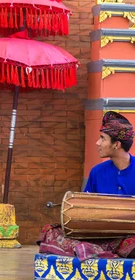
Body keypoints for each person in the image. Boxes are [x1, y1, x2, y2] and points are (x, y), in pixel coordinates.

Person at [38, 111, 135, 260]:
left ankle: (94, 251)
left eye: (102, 138)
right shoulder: (97, 172)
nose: (97, 143)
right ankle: (96, 250)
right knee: (50, 231)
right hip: (100, 237)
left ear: (116, 144)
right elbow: (84, 211)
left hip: (130, 237)